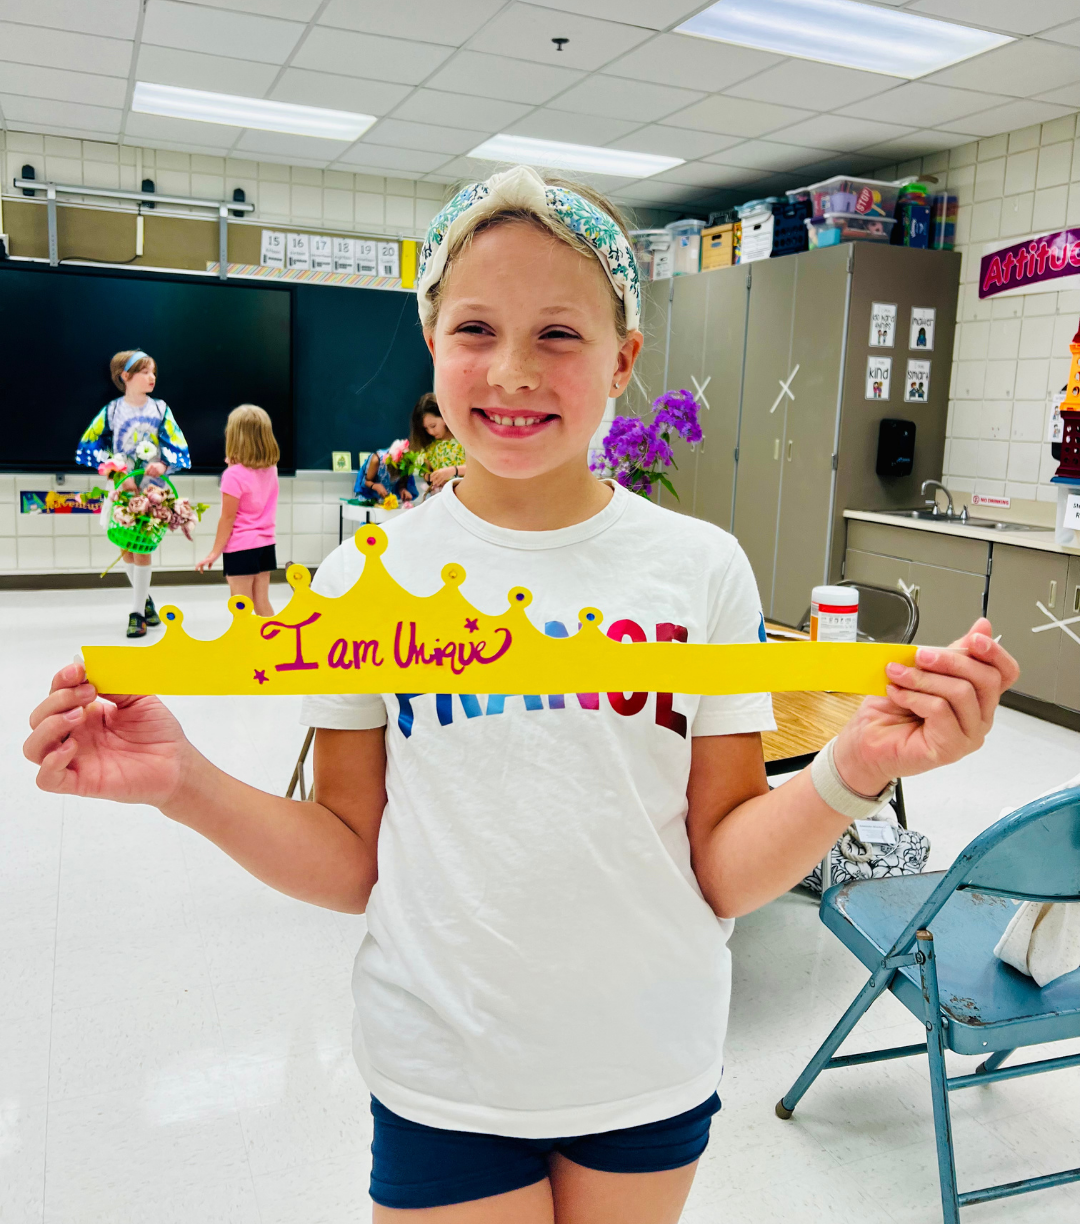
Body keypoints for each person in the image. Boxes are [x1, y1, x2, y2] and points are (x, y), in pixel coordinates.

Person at [30, 166, 1018, 1224]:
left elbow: (724, 870)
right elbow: (350, 855)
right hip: (443, 1066)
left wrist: (855, 770)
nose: (511, 371)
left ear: (624, 358)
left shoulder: (701, 570)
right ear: (431, 344)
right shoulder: (369, 575)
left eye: (558, 334)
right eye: (474, 330)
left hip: (646, 1058)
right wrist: (183, 781)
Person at [75, 349, 190, 638]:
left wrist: (162, 464)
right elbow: (89, 446)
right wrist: (116, 472)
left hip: (153, 493)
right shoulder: (112, 411)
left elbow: (179, 447)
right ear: (125, 376)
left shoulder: (161, 409)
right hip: (123, 492)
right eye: (145, 372)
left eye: (153, 372)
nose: (152, 377)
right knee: (127, 547)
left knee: (142, 549)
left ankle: (137, 613)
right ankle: (146, 601)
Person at [196, 405, 280, 617]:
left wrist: (214, 552)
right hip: (265, 544)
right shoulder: (271, 469)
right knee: (262, 603)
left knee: (241, 610)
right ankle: (273, 646)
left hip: (241, 547)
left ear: (235, 436)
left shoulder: (233, 475)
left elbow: (228, 518)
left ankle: (245, 649)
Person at [410, 392, 467, 491]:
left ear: (444, 416)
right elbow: (426, 473)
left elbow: (478, 470)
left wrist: (452, 471)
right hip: (441, 493)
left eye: (433, 426)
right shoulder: (429, 446)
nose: (431, 432)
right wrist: (432, 477)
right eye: (426, 428)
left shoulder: (463, 438)